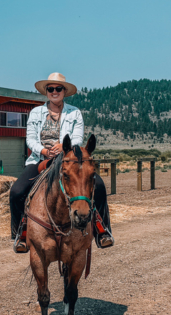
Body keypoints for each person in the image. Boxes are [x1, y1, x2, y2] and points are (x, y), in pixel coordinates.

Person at [9, 72, 114, 254]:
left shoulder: (74, 112)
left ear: (64, 91)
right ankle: (21, 234)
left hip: (67, 159)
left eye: (58, 88)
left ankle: (102, 231)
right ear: (46, 92)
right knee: (17, 192)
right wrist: (43, 150)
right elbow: (30, 139)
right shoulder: (36, 113)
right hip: (41, 159)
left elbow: (78, 137)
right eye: (51, 89)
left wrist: (63, 147)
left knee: (99, 185)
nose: (54, 91)